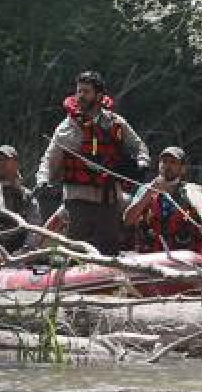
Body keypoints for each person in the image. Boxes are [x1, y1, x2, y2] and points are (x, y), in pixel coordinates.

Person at [36, 70, 150, 255]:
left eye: (86, 92)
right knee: (77, 253)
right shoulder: (66, 128)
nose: (80, 96)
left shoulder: (115, 123)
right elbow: (49, 159)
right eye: (78, 91)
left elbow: (139, 147)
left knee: (109, 252)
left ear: (99, 96)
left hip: (109, 201)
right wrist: (42, 180)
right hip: (78, 200)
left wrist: (142, 163)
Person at [123, 145, 202, 254]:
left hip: (182, 257)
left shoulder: (191, 191)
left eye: (173, 162)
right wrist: (149, 192)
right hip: (150, 257)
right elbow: (127, 221)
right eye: (164, 161)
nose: (167, 166)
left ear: (183, 169)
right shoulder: (145, 188)